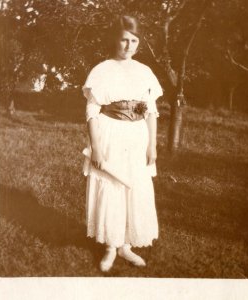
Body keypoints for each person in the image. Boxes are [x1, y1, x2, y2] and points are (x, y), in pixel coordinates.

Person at [82, 15, 163, 272]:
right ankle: (110, 246)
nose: (128, 45)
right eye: (124, 40)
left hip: (137, 136)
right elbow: (92, 112)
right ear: (115, 41)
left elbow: (151, 112)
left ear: (139, 43)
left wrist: (152, 145)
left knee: (133, 187)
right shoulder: (102, 70)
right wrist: (95, 147)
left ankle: (126, 245)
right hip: (110, 133)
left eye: (134, 40)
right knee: (113, 186)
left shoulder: (144, 72)